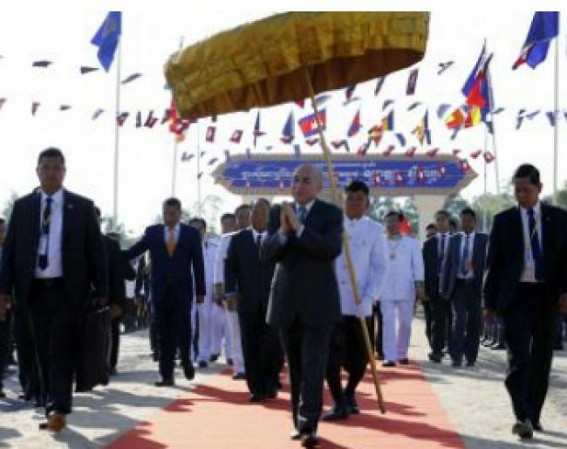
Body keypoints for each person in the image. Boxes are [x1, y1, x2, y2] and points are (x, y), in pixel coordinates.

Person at [0, 148, 107, 432]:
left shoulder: (81, 207)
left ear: (64, 171)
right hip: (31, 291)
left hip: (67, 290)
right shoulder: (22, 208)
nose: (51, 173)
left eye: (57, 168)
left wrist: (104, 290)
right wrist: (4, 290)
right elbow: (9, 252)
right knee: (38, 351)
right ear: (37, 170)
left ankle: (58, 407)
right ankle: (50, 401)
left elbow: (96, 252)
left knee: (61, 348)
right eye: (46, 168)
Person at [484, 164, 567, 440]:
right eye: (517, 189)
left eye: (526, 189)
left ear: (539, 188)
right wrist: (489, 302)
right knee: (517, 359)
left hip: (548, 296)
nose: (521, 194)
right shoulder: (503, 220)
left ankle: (534, 414)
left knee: (542, 360)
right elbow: (493, 264)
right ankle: (522, 416)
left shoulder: (559, 218)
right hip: (515, 296)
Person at [264, 164, 343, 448]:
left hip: (319, 304)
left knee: (313, 365)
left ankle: (309, 424)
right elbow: (268, 253)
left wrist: (299, 229)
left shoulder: (331, 214)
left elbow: (329, 249)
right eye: (295, 179)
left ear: (319, 186)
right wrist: (284, 233)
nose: (298, 185)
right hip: (286, 302)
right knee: (295, 367)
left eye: (306, 181)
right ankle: (298, 422)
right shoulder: (278, 212)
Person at [124, 198, 205, 387]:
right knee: (163, 333)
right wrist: (112, 252)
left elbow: (198, 264)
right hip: (160, 291)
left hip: (182, 290)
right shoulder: (153, 232)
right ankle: (166, 375)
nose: (169, 217)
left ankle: (186, 359)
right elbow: (135, 251)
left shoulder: (191, 234)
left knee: (183, 329)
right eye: (166, 213)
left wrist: (201, 290)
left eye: (173, 214)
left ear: (179, 213)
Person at [323, 180, 385, 421]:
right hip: (334, 302)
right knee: (332, 356)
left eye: (359, 198)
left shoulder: (375, 230)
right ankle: (338, 402)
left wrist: (370, 297)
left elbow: (380, 268)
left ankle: (350, 393)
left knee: (361, 358)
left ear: (367, 203)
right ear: (343, 200)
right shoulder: (332, 226)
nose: (354, 202)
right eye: (350, 198)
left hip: (361, 304)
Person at [225, 199, 283, 402]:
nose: (258, 216)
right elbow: (230, 267)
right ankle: (256, 387)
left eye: (262, 212)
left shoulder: (278, 238)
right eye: (255, 212)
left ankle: (270, 382)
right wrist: (230, 292)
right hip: (247, 301)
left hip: (273, 302)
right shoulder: (239, 239)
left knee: (272, 346)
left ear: (269, 216)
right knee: (250, 345)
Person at [440, 207, 488, 368]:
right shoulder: (454, 239)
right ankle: (456, 356)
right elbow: (447, 265)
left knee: (474, 323)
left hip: (475, 286)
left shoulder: (484, 239)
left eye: (469, 220)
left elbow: (490, 265)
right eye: (463, 220)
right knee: (459, 320)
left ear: (474, 222)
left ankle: (471, 357)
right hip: (458, 286)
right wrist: (444, 288)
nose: (466, 224)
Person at [378, 211, 425, 367]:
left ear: (400, 223)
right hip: (385, 288)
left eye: (393, 221)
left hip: (406, 287)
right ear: (384, 223)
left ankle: (402, 352)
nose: (391, 224)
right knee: (388, 322)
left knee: (405, 322)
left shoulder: (411, 242)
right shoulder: (379, 242)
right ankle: (390, 357)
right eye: (388, 221)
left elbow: (418, 265)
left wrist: (420, 286)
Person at [213, 206, 251, 379]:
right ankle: (241, 367)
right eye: (241, 217)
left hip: (255, 293)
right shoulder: (227, 240)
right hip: (233, 294)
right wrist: (220, 292)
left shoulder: (261, 236)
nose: (244, 220)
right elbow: (219, 267)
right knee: (234, 330)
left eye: (247, 216)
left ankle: (256, 365)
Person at [188, 217, 219, 368]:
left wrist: (217, 291)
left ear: (204, 230)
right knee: (188, 322)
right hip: (187, 290)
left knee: (206, 322)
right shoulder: (182, 248)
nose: (196, 232)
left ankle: (203, 355)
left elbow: (217, 271)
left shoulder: (213, 248)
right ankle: (188, 355)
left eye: (199, 229)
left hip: (206, 291)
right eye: (192, 229)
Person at [422, 209, 452, 362]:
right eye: (438, 220)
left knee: (454, 318)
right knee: (437, 319)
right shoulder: (428, 244)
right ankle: (436, 350)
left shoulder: (457, 240)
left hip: (454, 286)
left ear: (448, 222)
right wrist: (425, 288)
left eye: (443, 220)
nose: (440, 223)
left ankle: (454, 348)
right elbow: (425, 268)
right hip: (435, 286)